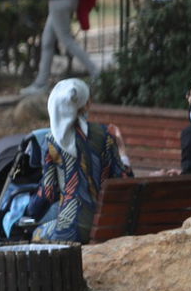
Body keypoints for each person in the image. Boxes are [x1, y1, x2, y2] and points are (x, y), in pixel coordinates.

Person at [30, 79, 131, 243]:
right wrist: (123, 155)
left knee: (36, 234)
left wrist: (30, 209)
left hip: (70, 229)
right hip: (106, 225)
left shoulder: (51, 141)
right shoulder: (105, 135)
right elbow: (124, 180)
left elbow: (47, 193)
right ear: (86, 104)